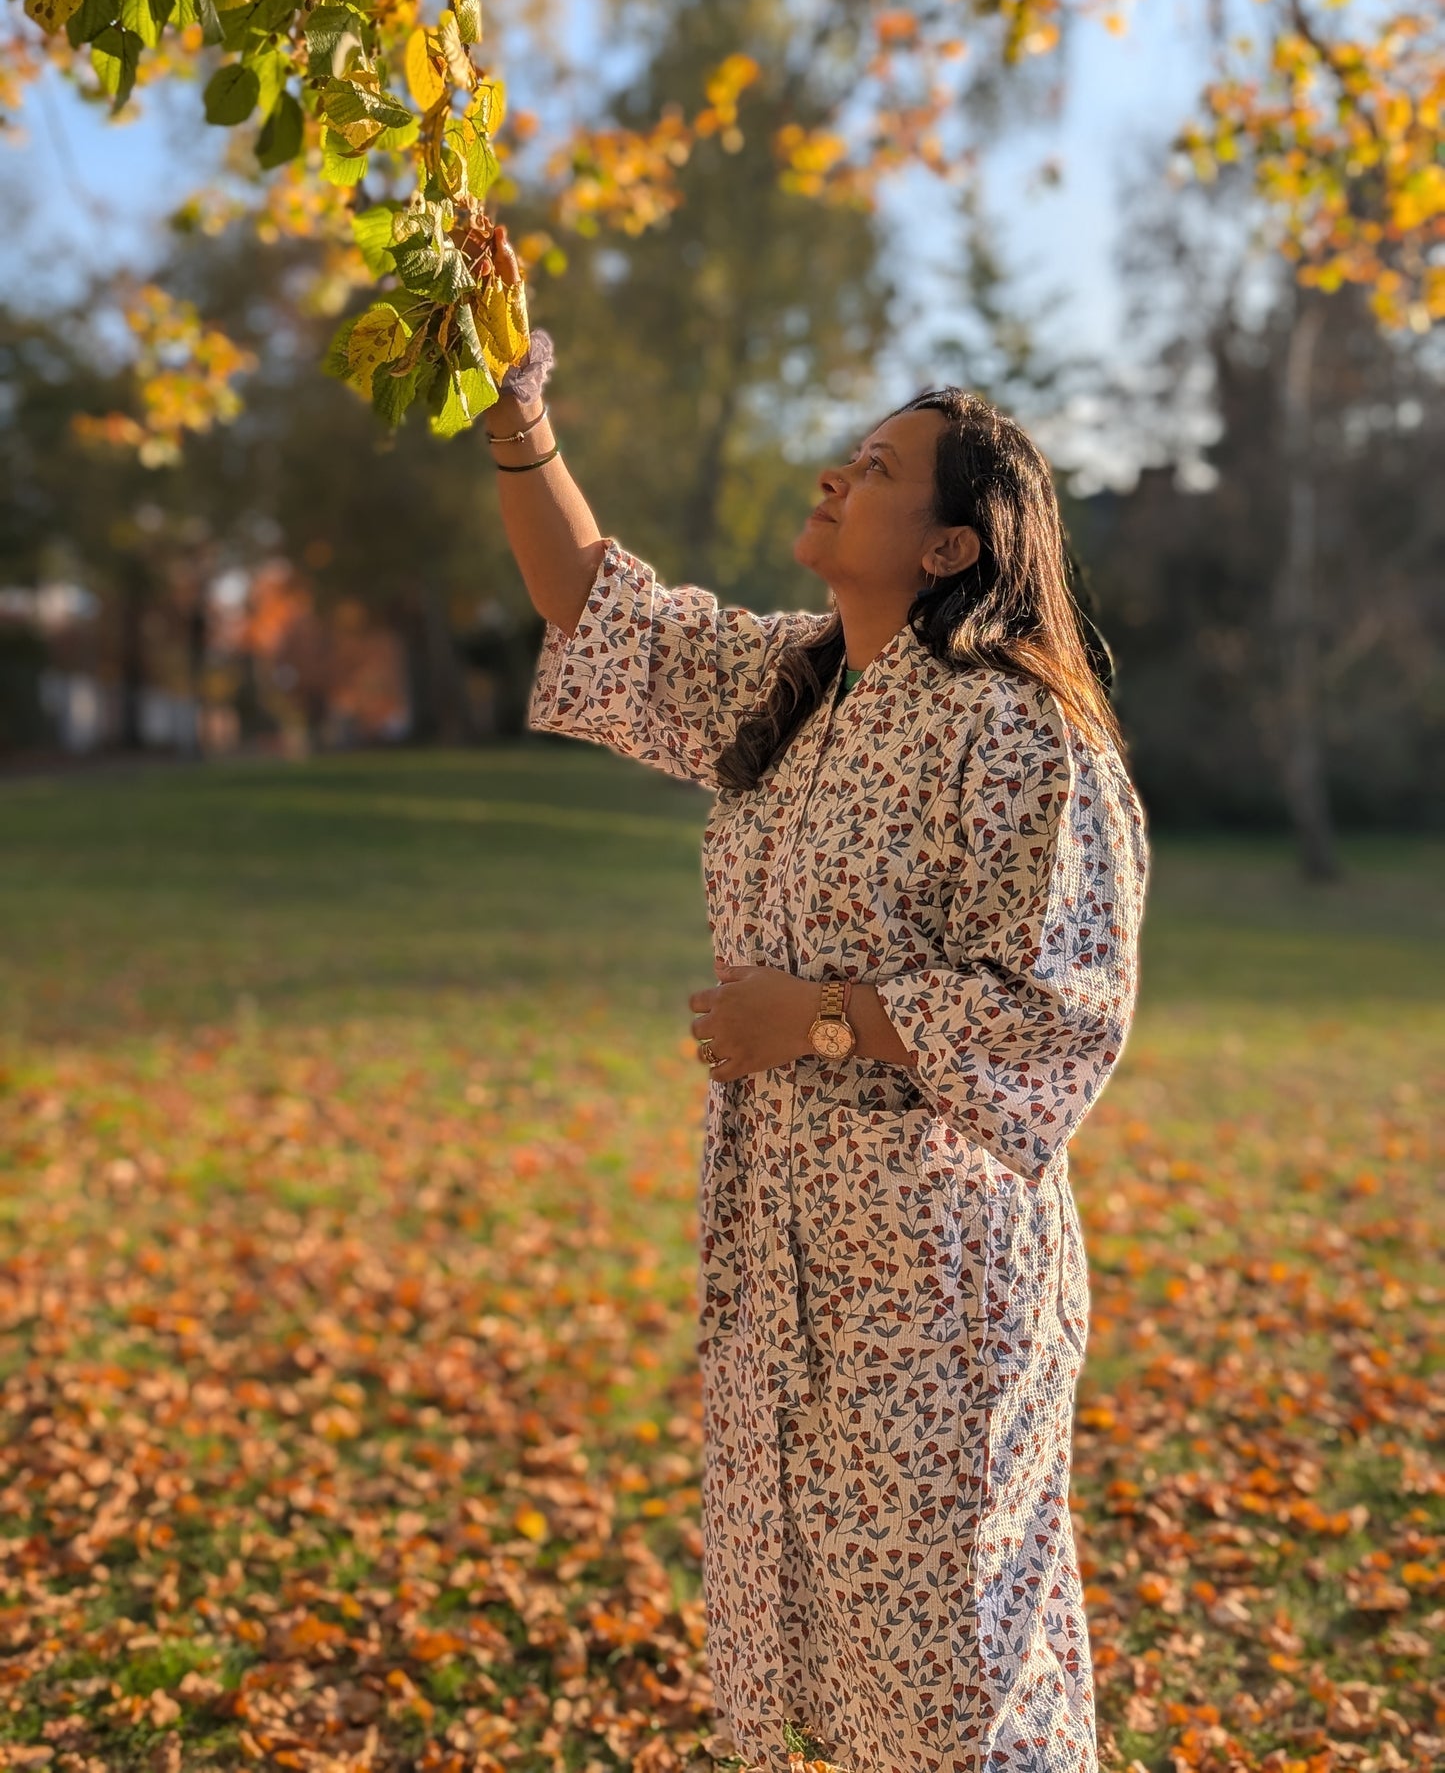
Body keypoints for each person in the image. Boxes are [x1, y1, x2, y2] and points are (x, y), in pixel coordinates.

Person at [485, 225, 1148, 1773]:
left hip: (937, 1289)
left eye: (875, 467)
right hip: (791, 1260)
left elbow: (1064, 1010)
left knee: (956, 1681)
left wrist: (828, 1015)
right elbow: (603, 612)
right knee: (846, 1672)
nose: (834, 477)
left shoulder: (1018, 736)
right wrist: (514, 414)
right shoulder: (795, 686)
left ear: (950, 547)